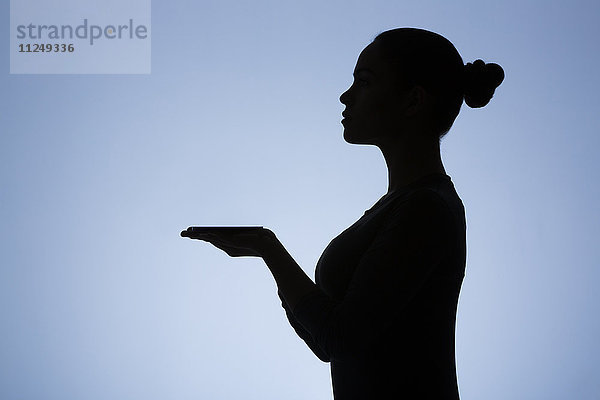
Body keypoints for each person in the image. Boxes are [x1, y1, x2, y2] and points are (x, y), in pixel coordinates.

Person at [181, 27, 504, 399]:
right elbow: (325, 340)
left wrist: (269, 248)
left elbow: (339, 337)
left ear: (413, 101)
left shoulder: (426, 208)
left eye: (364, 82)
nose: (345, 96)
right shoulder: (401, 206)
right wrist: (266, 252)